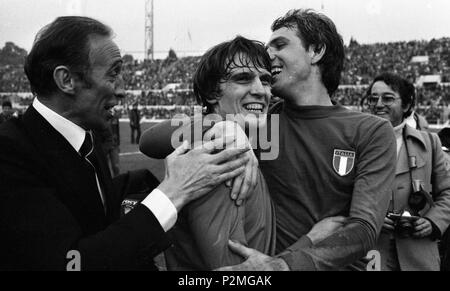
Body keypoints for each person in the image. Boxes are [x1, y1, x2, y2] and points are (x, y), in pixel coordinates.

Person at [143, 9, 397, 271]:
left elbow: (363, 229)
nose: (270, 55)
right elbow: (150, 141)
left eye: (280, 45)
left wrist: (286, 265)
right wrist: (220, 125)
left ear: (316, 50)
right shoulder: (262, 121)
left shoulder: (370, 131)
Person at [0, 16, 250, 271]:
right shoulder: (9, 153)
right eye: (113, 73)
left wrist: (228, 130)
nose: (122, 90)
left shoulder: (84, 134)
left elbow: (91, 205)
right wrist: (173, 192)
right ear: (66, 80)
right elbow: (71, 263)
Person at [367, 73, 450, 271]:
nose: (378, 104)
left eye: (387, 98)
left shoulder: (430, 143)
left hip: (419, 250)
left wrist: (433, 221)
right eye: (373, 98)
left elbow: (447, 192)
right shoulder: (354, 142)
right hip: (372, 251)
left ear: (406, 105)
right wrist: (371, 218)